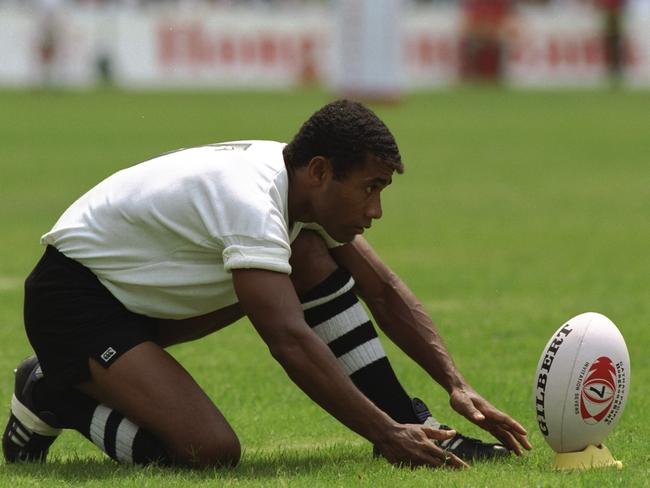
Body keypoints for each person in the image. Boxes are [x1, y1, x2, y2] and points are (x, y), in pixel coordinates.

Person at [2, 100, 531, 469]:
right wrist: (383, 436)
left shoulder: (295, 181)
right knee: (208, 452)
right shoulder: (253, 205)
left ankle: (407, 419)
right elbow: (289, 340)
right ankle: (49, 391)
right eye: (370, 189)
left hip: (134, 295)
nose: (376, 210)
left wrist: (456, 384)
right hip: (72, 302)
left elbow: (384, 290)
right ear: (321, 171)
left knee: (307, 251)